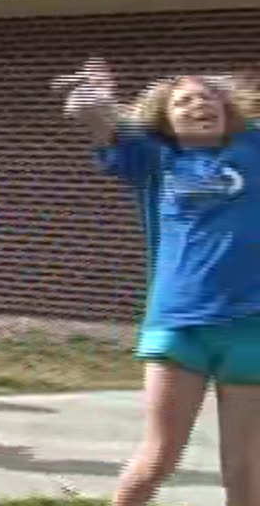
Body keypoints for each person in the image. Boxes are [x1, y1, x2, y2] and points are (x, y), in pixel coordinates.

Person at [57, 59, 260, 506]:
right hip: (178, 325)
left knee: (245, 467)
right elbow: (100, 120)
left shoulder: (254, 147)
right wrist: (95, 100)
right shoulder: (154, 158)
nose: (198, 104)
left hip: (252, 328)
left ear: (227, 108)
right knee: (160, 457)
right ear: (165, 118)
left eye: (208, 97)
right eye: (183, 101)